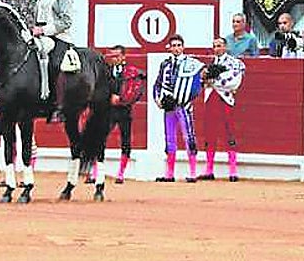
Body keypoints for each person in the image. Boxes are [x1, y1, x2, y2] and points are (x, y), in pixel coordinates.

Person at [153, 34, 204, 182]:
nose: (176, 48)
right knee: (169, 138)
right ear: (169, 48)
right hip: (169, 108)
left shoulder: (191, 64)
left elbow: (196, 85)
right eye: (173, 46)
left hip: (184, 106)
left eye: (178, 45)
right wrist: (158, 100)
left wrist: (187, 98)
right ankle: (170, 174)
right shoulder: (165, 64)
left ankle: (193, 173)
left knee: (189, 137)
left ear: (183, 47)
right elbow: (158, 83)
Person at [31, 0, 75, 122]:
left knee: (55, 64)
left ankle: (58, 104)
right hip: (40, 35)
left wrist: (44, 30)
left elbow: (66, 21)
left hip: (58, 36)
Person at [198, 36, 245, 182]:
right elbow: (201, 81)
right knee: (209, 132)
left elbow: (234, 82)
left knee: (229, 131)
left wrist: (212, 81)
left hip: (225, 100)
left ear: (225, 47)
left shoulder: (234, 63)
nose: (217, 48)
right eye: (215, 46)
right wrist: (206, 79)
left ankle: (233, 171)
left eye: (219, 45)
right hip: (211, 99)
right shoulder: (210, 64)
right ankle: (209, 169)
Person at [104, 45, 145, 184]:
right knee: (100, 139)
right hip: (108, 110)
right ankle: (96, 172)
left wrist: (121, 99)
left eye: (116, 56)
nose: (114, 59)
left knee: (125, 141)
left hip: (124, 110)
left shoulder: (130, 72)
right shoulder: (106, 71)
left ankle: (121, 173)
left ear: (123, 57)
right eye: (112, 56)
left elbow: (137, 92)